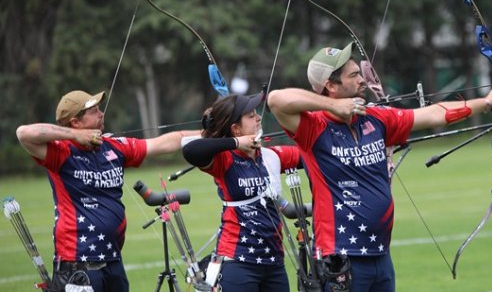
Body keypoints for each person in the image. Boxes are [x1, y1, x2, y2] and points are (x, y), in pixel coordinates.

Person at [266, 42, 492, 292]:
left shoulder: (376, 118)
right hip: (341, 258)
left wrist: (487, 102)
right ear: (331, 86)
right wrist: (333, 106)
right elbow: (276, 99)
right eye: (354, 75)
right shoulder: (313, 128)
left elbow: (434, 114)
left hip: (380, 255)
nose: (362, 79)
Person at [15, 90, 200, 292]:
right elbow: (24, 133)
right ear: (75, 123)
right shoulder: (61, 152)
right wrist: (74, 136)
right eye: (94, 111)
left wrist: (209, 135)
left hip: (112, 260)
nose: (101, 114)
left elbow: (167, 142)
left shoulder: (113, 146)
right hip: (78, 263)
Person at [181, 93, 303, 292]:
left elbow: (312, 154)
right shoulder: (225, 160)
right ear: (236, 129)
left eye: (256, 113)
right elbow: (190, 150)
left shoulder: (272, 156)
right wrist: (236, 143)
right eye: (250, 116)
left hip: (273, 260)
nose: (258, 118)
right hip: (238, 260)